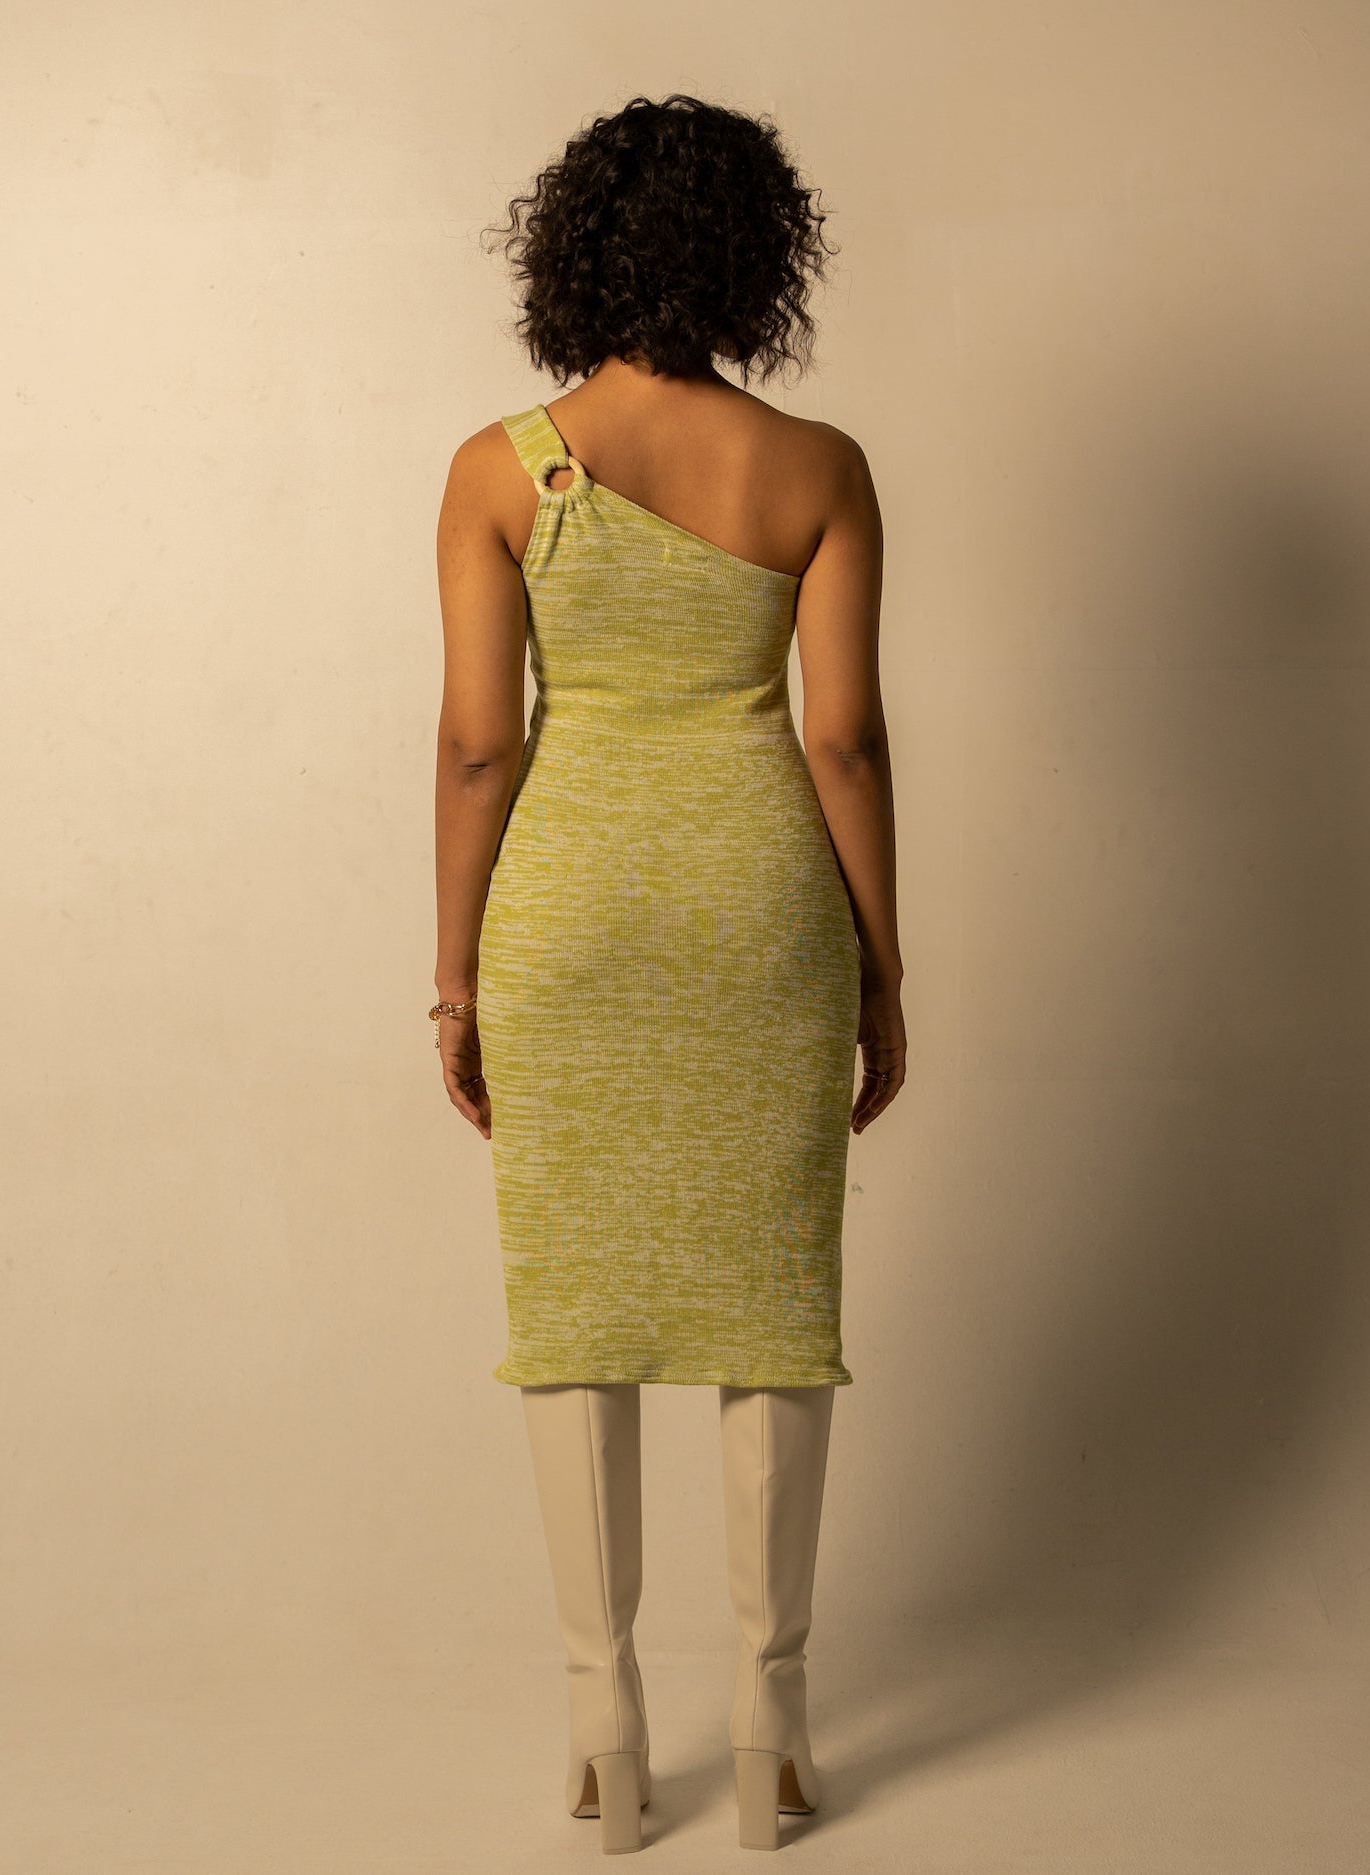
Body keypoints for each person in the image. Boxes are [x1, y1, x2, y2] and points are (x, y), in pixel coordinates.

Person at [433, 92, 904, 1853]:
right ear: (753, 258)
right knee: (774, 1302)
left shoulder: (504, 468)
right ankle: (772, 1733)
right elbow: (841, 740)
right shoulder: (819, 468)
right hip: (761, 910)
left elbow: (479, 746)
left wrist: (456, 978)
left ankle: (605, 1741)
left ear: (569, 253)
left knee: (577, 1305)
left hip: (567, 916)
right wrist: (883, 970)